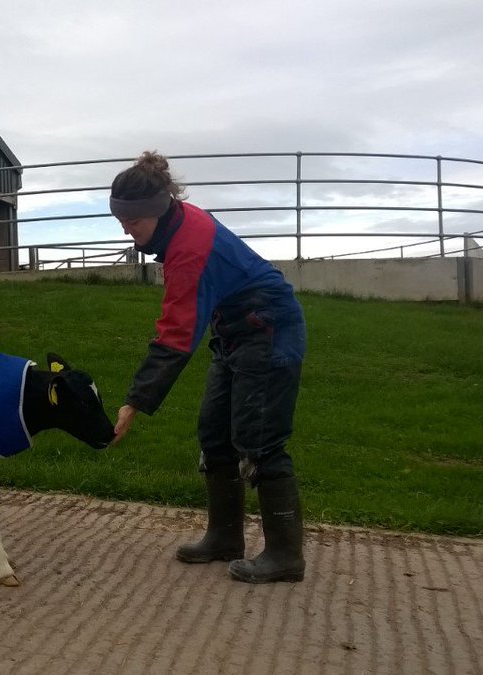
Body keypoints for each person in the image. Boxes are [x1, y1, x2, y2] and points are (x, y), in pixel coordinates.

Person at [110, 151, 307, 584]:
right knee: (215, 434)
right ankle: (224, 537)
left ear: (157, 213)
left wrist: (135, 402)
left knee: (260, 439)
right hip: (235, 333)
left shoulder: (188, 248)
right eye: (120, 220)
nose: (125, 229)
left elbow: (177, 334)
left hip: (268, 328)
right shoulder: (176, 225)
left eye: (132, 222)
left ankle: (285, 555)